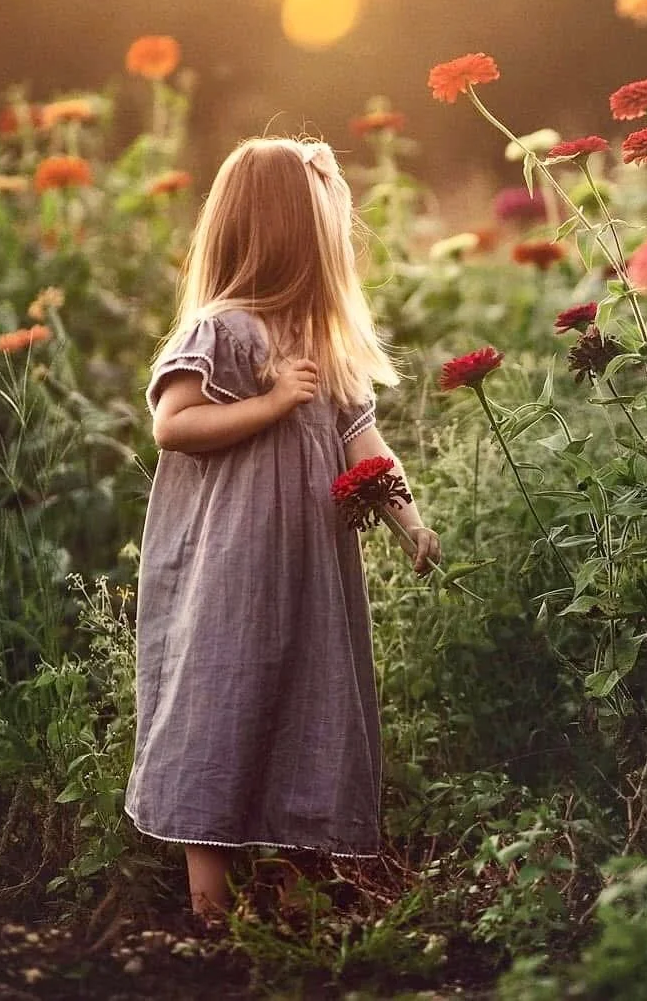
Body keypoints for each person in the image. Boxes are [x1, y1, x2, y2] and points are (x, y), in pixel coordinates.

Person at [125, 135, 442, 929]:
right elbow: (174, 424)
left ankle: (295, 889)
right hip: (229, 568)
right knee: (219, 698)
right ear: (290, 238)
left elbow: (365, 444)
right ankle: (210, 902)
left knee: (314, 697)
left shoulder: (323, 347)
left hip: (311, 568)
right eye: (325, 226)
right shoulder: (221, 330)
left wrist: (406, 513)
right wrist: (267, 404)